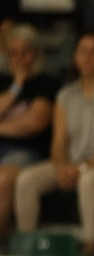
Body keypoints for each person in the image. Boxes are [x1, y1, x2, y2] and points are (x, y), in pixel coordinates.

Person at [14, 32, 94, 256]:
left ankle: (91, 245)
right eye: (82, 51)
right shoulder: (66, 95)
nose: (87, 57)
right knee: (26, 179)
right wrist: (61, 166)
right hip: (72, 161)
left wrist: (83, 167)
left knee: (89, 179)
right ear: (75, 57)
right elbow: (59, 142)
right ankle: (26, 245)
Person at [0, 24, 57, 244]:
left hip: (28, 151)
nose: (19, 58)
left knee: (3, 179)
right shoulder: (3, 82)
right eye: (13, 53)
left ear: (36, 54)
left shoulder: (46, 84)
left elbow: (32, 124)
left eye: (25, 52)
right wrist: (16, 87)